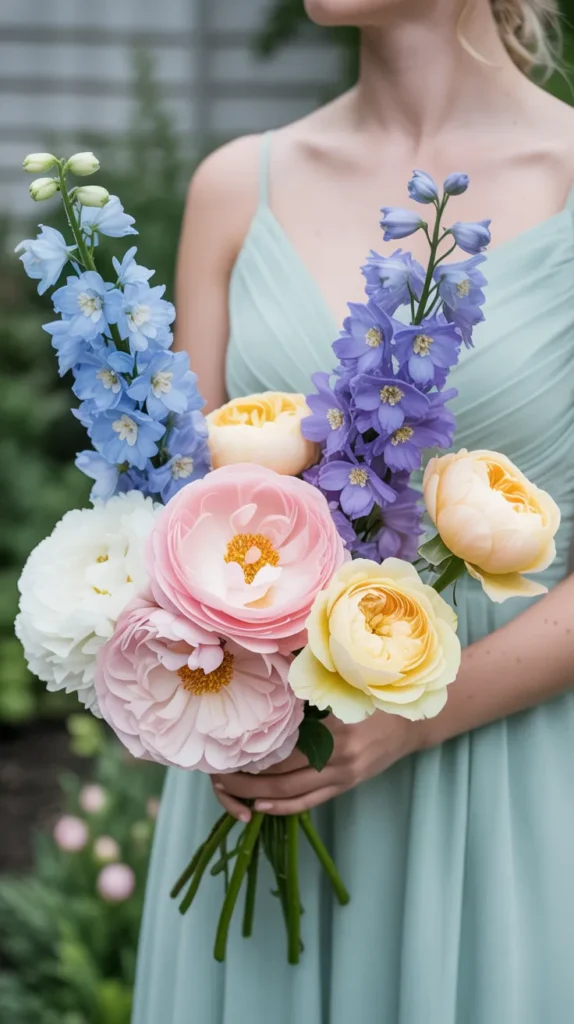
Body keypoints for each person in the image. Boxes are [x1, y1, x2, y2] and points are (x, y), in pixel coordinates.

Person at [133, 2, 574, 1021]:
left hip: (501, 779)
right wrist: (169, 677)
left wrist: (412, 724)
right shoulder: (238, 186)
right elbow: (167, 516)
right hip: (262, 777)